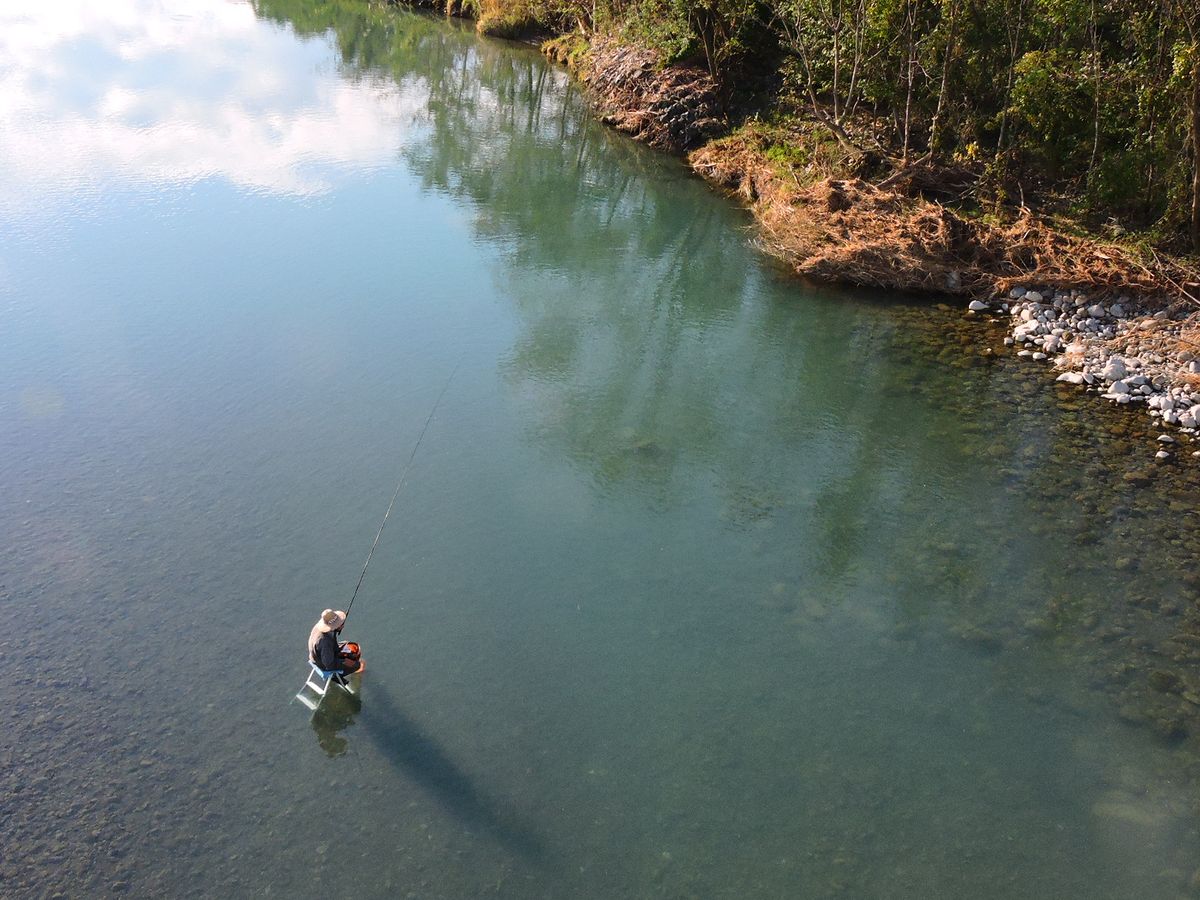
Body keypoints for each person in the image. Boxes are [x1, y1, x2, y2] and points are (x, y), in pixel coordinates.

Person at [308, 608, 365, 677]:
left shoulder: (319, 628)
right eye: (340, 624)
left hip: (318, 654)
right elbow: (329, 664)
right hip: (323, 663)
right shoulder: (325, 642)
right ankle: (336, 678)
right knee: (357, 665)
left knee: (348, 644)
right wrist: (345, 662)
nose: (343, 625)